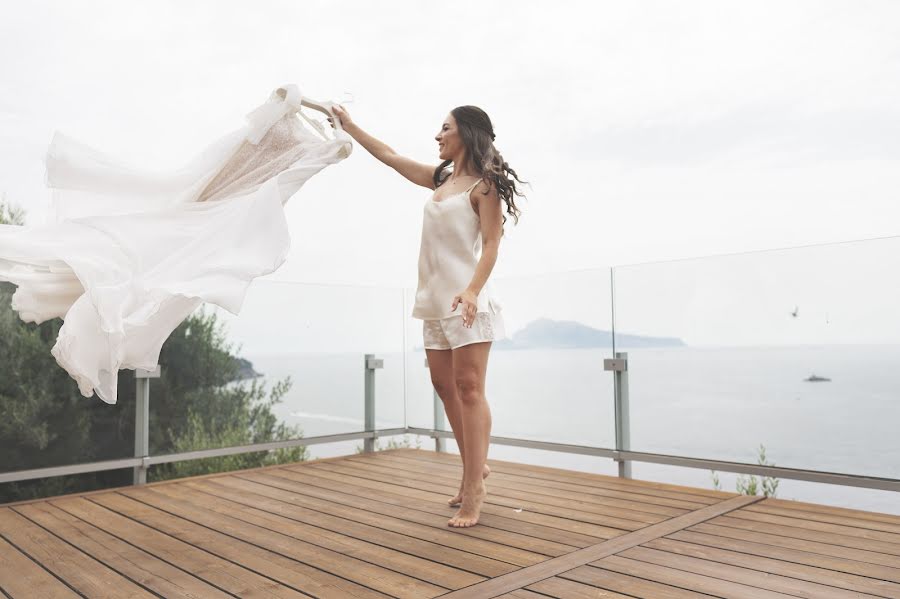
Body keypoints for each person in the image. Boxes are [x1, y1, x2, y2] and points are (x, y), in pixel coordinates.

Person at [329, 104, 525, 527]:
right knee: (444, 385)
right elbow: (390, 156)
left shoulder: (483, 186)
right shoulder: (441, 179)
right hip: (435, 301)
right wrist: (350, 126)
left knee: (470, 387)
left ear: (466, 134)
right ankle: (476, 464)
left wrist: (472, 290)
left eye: (445, 128)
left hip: (469, 302)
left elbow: (491, 244)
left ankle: (474, 486)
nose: (438, 136)